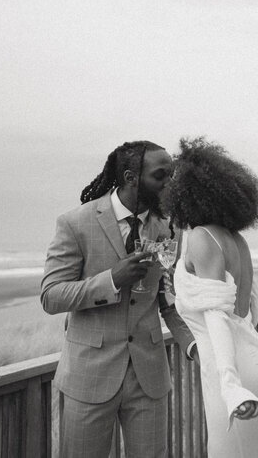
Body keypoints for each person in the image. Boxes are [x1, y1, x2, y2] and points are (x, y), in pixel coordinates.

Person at [40, 140, 196, 458]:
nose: (170, 183)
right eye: (160, 175)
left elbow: (166, 298)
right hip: (89, 377)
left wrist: (195, 344)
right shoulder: (75, 223)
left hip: (149, 378)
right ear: (130, 177)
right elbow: (51, 296)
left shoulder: (170, 230)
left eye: (172, 175)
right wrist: (113, 279)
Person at [162, 137, 258, 457]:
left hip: (234, 377)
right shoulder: (237, 241)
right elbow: (247, 312)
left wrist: (230, 386)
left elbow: (217, 316)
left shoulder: (200, 238)